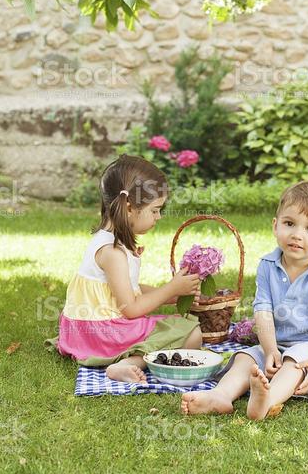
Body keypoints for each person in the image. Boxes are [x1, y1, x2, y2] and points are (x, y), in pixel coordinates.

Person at [181, 181, 308, 419]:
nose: (297, 234)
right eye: (289, 223)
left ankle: (268, 399)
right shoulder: (268, 265)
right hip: (280, 344)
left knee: (295, 361)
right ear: (276, 226)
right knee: (246, 357)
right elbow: (263, 311)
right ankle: (220, 395)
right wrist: (270, 348)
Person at [45, 154, 202, 383]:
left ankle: (127, 358)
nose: (158, 217)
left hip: (82, 332)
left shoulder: (106, 240)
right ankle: (128, 363)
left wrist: (173, 295)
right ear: (129, 207)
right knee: (191, 333)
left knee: (177, 325)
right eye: (155, 210)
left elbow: (128, 289)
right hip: (104, 334)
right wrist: (169, 289)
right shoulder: (113, 253)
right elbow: (131, 309)